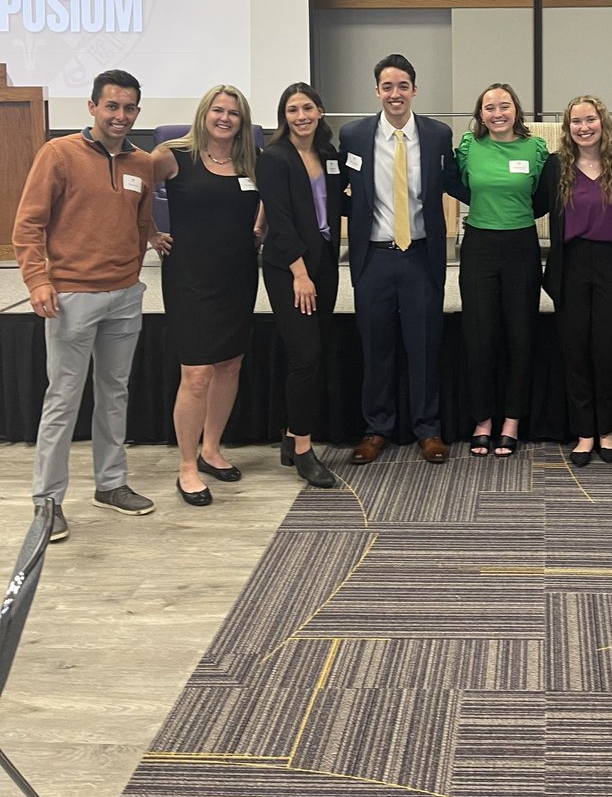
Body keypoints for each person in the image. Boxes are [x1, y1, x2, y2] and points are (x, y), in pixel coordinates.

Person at [13, 68, 155, 543]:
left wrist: (133, 272)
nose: (120, 115)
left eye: (129, 108)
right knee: (63, 398)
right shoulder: (58, 154)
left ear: (137, 111)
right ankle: (47, 501)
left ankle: (110, 484)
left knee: (115, 393)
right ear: (92, 107)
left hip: (125, 296)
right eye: (111, 106)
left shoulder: (142, 163)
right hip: (71, 297)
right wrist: (38, 280)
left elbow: (141, 222)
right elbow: (28, 225)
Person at [340, 54, 468, 464]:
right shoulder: (354, 135)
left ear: (414, 89)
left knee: (424, 346)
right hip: (374, 258)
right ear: (377, 91)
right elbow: (338, 189)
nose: (395, 94)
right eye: (387, 86)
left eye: (402, 86)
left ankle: (428, 429)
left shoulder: (437, 135)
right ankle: (377, 429)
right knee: (376, 347)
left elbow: (454, 183)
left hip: (421, 257)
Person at [150, 85, 261, 507]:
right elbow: (131, 190)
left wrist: (260, 228)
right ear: (204, 113)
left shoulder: (252, 159)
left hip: (238, 275)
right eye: (218, 110)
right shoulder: (172, 155)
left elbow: (272, 198)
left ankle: (211, 449)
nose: (225, 118)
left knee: (229, 364)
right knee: (196, 373)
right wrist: (150, 233)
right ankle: (186, 465)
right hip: (190, 279)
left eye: (234, 112)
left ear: (242, 120)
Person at [533, 96, 612, 466]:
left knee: (609, 350)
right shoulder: (556, 166)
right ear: (567, 128)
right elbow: (532, 205)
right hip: (571, 265)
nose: (584, 128)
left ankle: (607, 431)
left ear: (603, 121)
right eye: (576, 122)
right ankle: (584, 433)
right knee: (575, 350)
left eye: (590, 120)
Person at [255, 83, 341, 489]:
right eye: (292, 110)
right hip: (290, 269)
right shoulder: (274, 158)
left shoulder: (329, 154)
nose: (301, 116)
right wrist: (300, 273)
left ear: (320, 111)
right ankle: (304, 450)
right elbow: (281, 218)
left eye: (307, 108)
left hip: (325, 263)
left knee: (313, 352)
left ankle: (291, 435)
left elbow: (336, 203)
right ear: (283, 116)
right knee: (305, 356)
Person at [456, 83, 548, 456]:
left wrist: (512, 213)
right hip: (479, 246)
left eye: (504, 106)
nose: (497, 113)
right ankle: (482, 420)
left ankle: (511, 420)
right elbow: (462, 186)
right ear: (480, 114)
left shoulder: (535, 149)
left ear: (516, 110)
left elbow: (542, 197)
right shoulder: (469, 147)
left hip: (521, 246)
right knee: (480, 336)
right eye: (489, 107)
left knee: (520, 336)